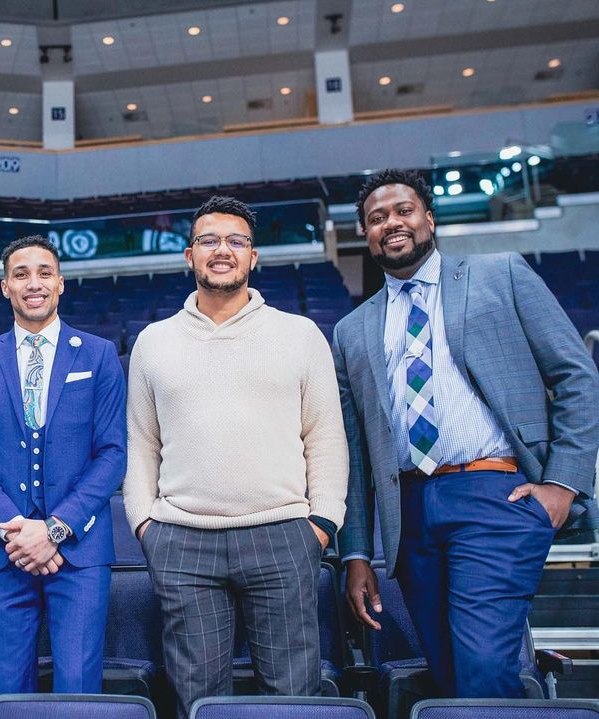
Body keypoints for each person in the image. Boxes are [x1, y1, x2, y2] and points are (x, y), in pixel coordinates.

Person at [334, 169, 599, 698]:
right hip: (409, 514)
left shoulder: (500, 273)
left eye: (404, 210)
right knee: (450, 672)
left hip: (495, 494)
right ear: (366, 235)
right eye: (377, 218)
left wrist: (562, 485)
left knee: (483, 667)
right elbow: (357, 457)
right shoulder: (351, 330)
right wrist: (357, 553)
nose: (392, 223)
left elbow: (577, 375)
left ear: (429, 218)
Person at [124, 195, 348, 719]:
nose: (221, 251)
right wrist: (144, 524)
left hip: (283, 536)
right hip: (183, 541)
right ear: (189, 255)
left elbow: (326, 438)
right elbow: (143, 444)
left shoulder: (300, 335)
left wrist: (321, 523)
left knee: (293, 696)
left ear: (253, 257)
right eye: (208, 240)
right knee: (198, 700)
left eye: (235, 241)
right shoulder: (154, 342)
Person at [0, 236, 126, 695]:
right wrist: (16, 530)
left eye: (44, 272)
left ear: (61, 283)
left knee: (79, 690)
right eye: (21, 274)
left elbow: (112, 454)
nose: (34, 283)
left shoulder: (98, 355)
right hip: (3, 553)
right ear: (5, 287)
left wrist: (53, 530)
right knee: (8, 690)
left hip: (80, 552)